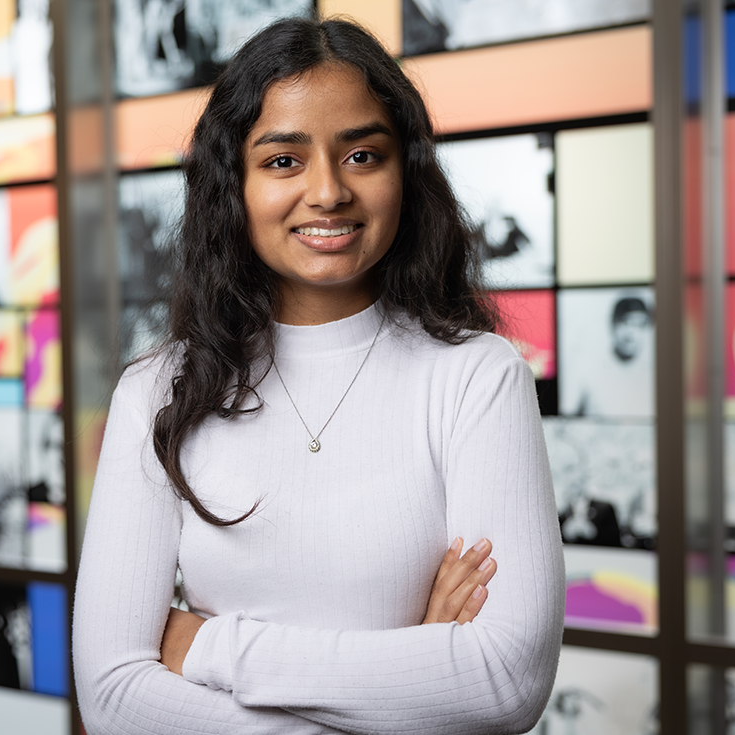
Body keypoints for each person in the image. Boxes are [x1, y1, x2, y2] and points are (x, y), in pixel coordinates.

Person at [73, 17, 563, 734]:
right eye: (283, 161)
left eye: (362, 154)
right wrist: (415, 674)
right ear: (232, 183)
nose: (329, 191)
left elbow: (506, 679)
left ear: (406, 171)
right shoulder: (157, 391)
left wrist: (211, 645)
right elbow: (114, 697)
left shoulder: (477, 377)